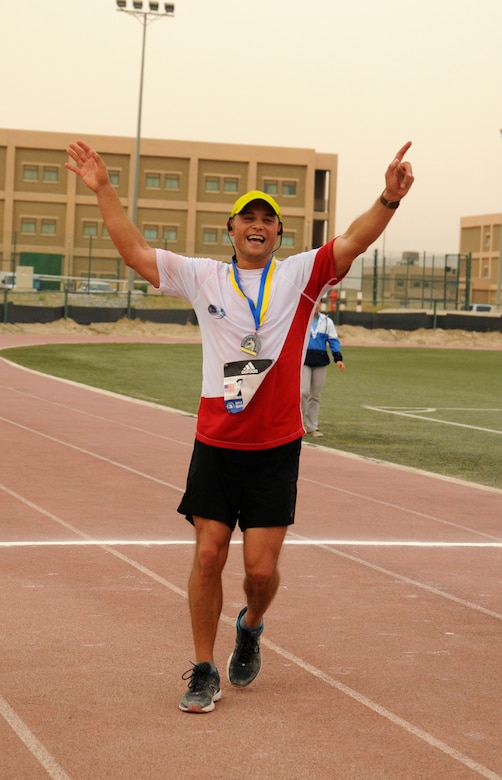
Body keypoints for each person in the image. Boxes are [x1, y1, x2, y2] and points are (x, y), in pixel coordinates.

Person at [65, 139, 414, 714]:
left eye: (267, 220)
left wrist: (388, 198)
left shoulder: (302, 275)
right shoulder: (203, 278)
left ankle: (250, 625)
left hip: (275, 447)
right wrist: (104, 189)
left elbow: (355, 238)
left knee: (260, 571)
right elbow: (135, 253)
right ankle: (204, 669)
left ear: (278, 234)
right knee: (209, 555)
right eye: (247, 218)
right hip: (216, 442)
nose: (257, 226)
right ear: (230, 229)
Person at [302, 305, 345, 437]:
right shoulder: (302, 318)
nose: (315, 305)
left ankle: (312, 427)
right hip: (303, 361)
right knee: (303, 392)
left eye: (319, 301)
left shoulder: (327, 321)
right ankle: (297, 425)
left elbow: (333, 341)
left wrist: (338, 358)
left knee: (315, 395)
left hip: (320, 362)